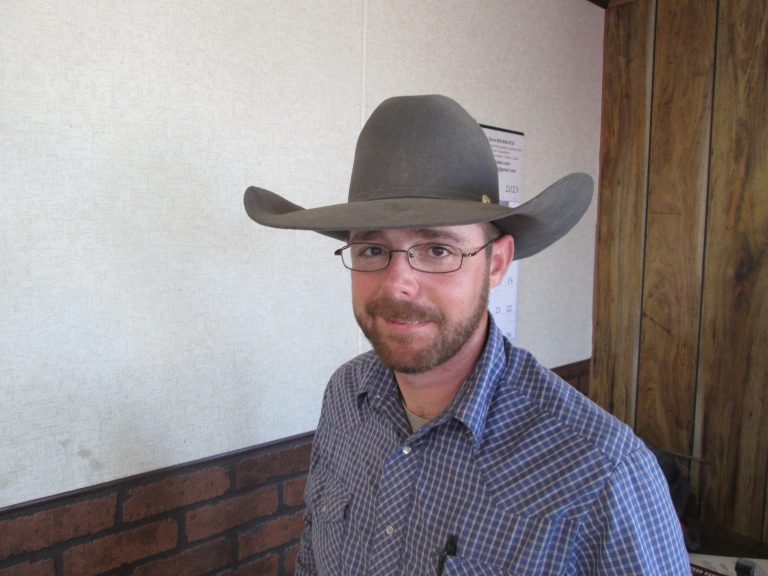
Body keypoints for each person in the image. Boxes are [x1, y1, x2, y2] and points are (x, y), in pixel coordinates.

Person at [243, 95, 690, 574]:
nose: (397, 284)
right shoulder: (345, 397)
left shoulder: (603, 474)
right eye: (372, 249)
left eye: (437, 249)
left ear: (496, 263)